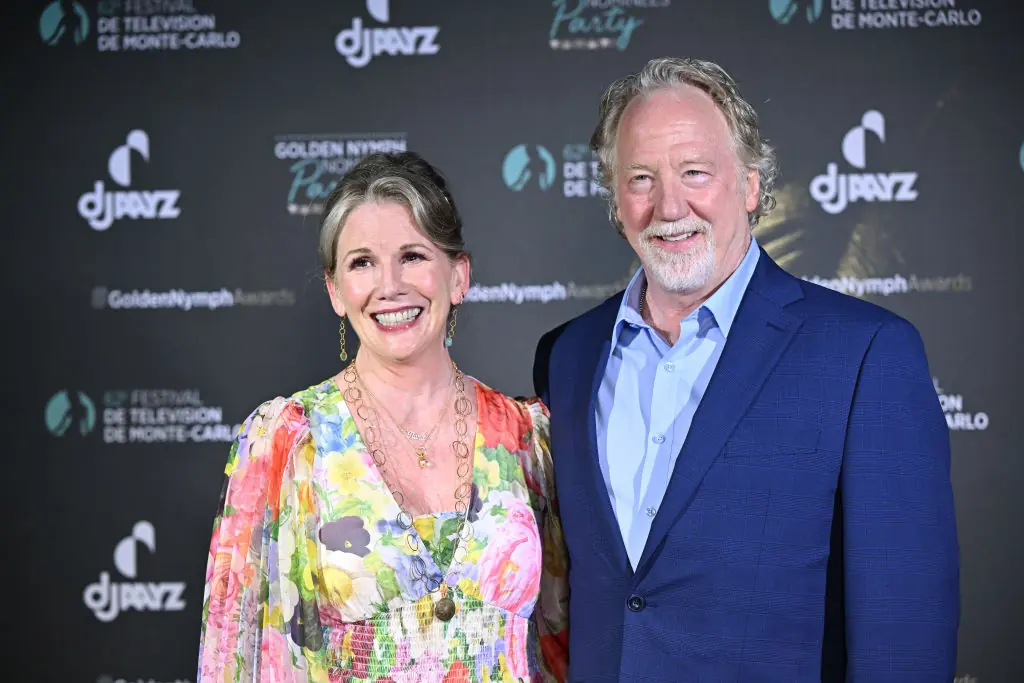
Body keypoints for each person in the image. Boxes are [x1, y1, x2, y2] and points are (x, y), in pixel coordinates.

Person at [533, 57, 959, 682]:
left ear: (752, 186)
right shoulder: (567, 356)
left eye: (695, 172)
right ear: (616, 201)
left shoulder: (865, 354)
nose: (668, 205)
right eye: (641, 178)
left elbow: (904, 635)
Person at [198, 151, 569, 682]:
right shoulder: (288, 441)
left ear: (458, 276)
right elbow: (236, 660)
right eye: (362, 263)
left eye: (412, 256)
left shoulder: (528, 437)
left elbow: (564, 646)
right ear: (335, 291)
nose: (390, 285)